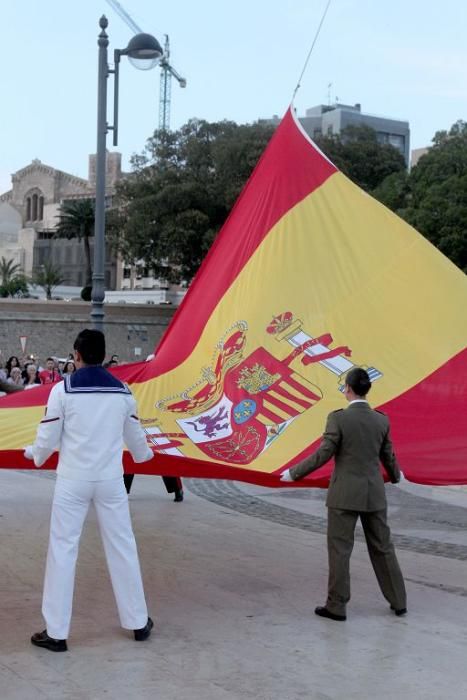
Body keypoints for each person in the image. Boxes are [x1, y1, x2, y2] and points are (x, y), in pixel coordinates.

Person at [25, 329, 155, 652]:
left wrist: (35, 454)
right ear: (103, 354)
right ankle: (138, 622)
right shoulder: (124, 392)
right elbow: (138, 443)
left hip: (73, 479)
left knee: (63, 550)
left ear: (76, 355)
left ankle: (56, 632)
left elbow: (48, 438)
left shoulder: (62, 390)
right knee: (123, 546)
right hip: (111, 480)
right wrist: (145, 456)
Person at [280, 367, 407, 622]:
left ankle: (337, 606)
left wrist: (294, 473)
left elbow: (323, 454)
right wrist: (396, 476)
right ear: (367, 389)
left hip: (344, 495)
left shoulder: (338, 419)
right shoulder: (381, 420)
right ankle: (399, 601)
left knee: (340, 550)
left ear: (347, 388)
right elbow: (388, 456)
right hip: (373, 494)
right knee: (383, 547)